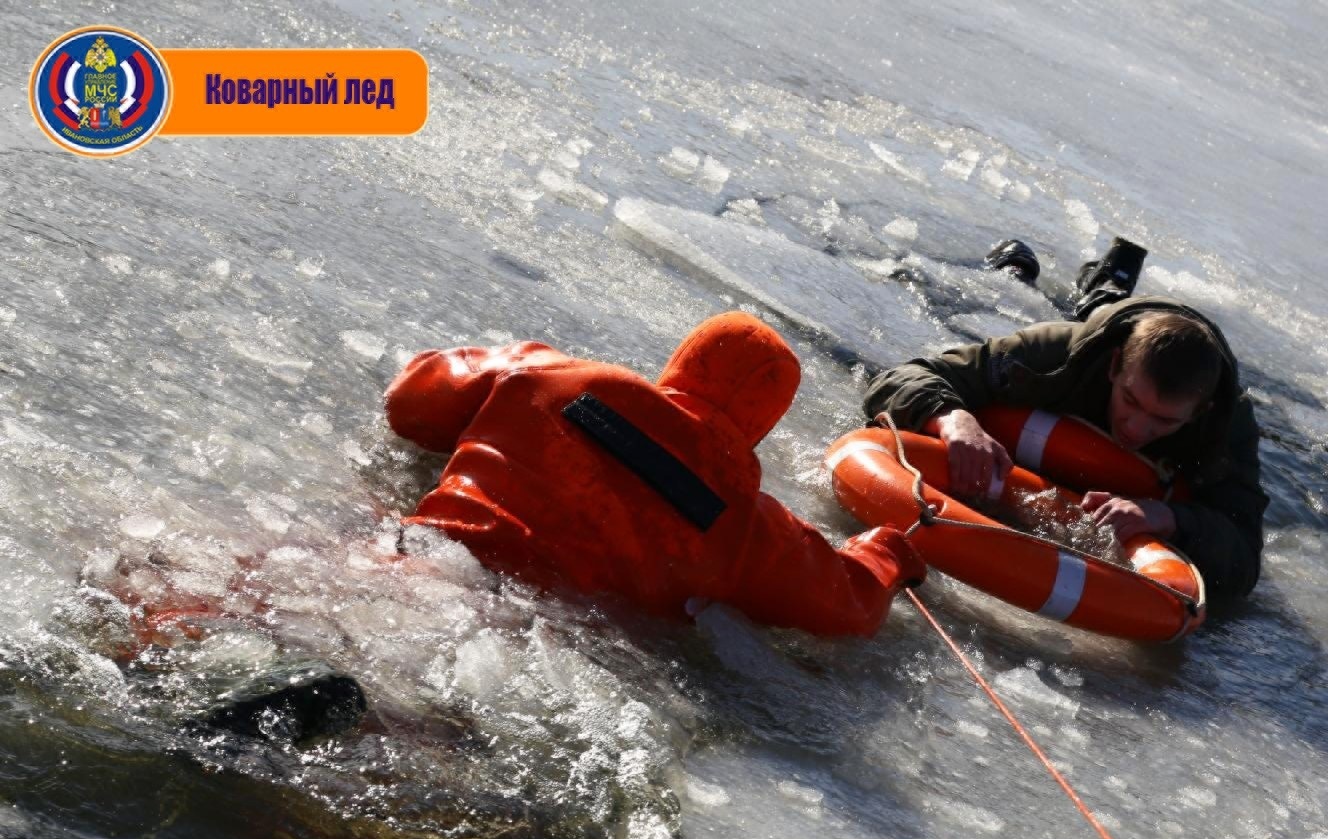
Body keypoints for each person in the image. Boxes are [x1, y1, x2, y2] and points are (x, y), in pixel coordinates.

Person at [385, 311, 925, 636]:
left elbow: (412, 398)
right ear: (759, 428)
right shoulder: (746, 528)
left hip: (412, 560)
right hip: (523, 629)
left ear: (681, 364)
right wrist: (889, 552)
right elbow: (844, 607)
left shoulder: (543, 372)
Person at [864, 238, 1268, 601]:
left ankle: (1109, 285)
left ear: (1198, 412)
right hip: (1103, 332)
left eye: (1163, 421)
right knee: (1094, 313)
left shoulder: (1226, 427)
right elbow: (900, 376)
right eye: (1129, 400)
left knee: (1102, 312)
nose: (1135, 428)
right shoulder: (1062, 354)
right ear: (1114, 368)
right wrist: (952, 419)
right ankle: (1055, 275)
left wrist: (1169, 518)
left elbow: (1244, 561)